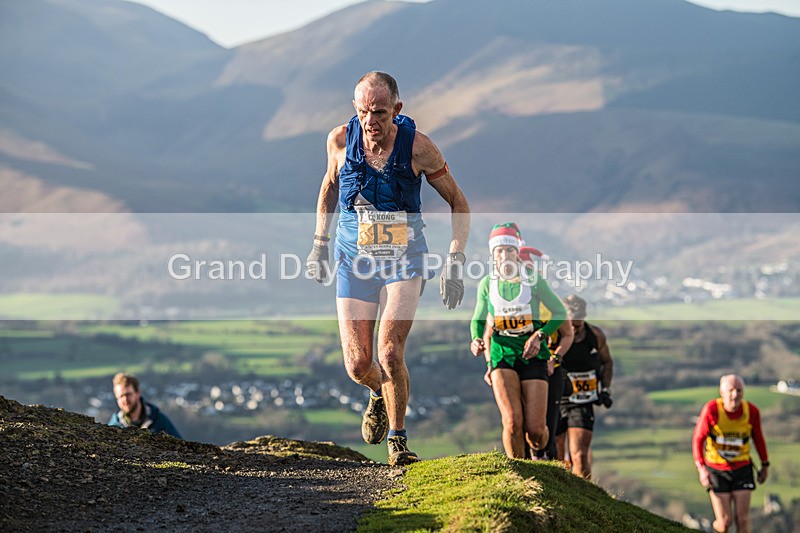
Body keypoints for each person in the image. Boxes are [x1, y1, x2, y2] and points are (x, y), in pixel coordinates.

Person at [306, 71, 470, 466]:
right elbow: (329, 187)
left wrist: (455, 261)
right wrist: (319, 244)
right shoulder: (340, 142)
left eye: (379, 112)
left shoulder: (419, 149)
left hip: (404, 259)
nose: (370, 121)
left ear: (397, 110)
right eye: (363, 111)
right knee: (359, 364)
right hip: (353, 260)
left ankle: (398, 440)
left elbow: (459, 204)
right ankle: (377, 392)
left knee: (390, 350)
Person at [470, 223, 566, 459]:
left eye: (509, 250)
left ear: (517, 252)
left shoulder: (533, 280)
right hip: (502, 353)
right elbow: (478, 320)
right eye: (499, 251)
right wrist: (475, 339)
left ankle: (539, 451)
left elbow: (559, 312)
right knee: (512, 422)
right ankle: (519, 474)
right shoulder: (487, 283)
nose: (504, 256)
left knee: (534, 430)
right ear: (493, 255)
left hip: (534, 356)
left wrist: (539, 335)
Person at [693, 374, 769, 533]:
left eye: (739, 390)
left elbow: (758, 439)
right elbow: (698, 439)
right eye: (731, 390)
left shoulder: (752, 411)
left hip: (742, 469)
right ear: (722, 392)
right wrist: (701, 469)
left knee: (742, 519)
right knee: (724, 522)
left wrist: (765, 464)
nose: (735, 395)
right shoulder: (712, 410)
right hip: (717, 470)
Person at [555, 294, 613, 478]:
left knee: (579, 455)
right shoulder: (554, 335)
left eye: (577, 325)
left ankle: (584, 494)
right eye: (569, 324)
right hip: (558, 399)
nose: (572, 329)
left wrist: (605, 389)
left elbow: (607, 362)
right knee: (556, 457)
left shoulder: (595, 336)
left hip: (583, 401)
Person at [108, 373, 182, 439]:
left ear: (138, 393)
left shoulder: (159, 420)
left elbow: (182, 445)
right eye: (121, 396)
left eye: (128, 394)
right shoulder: (114, 426)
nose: (125, 399)